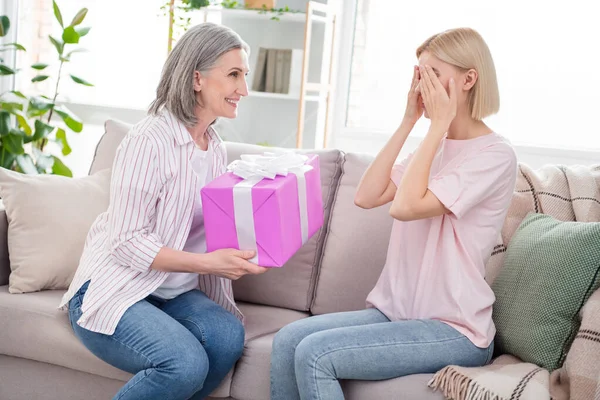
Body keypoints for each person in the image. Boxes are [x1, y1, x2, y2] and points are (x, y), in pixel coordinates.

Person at [270, 27, 517, 400]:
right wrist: (409, 121)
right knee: (288, 339)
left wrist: (436, 128)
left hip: (454, 328)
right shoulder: (431, 147)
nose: (423, 84)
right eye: (419, 73)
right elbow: (367, 196)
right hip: (395, 313)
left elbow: (405, 207)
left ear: (469, 79)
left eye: (433, 73)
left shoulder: (494, 155)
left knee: (315, 354)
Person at [59, 23, 268, 400]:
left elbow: (211, 225)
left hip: (172, 293)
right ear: (197, 79)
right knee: (184, 363)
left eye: (244, 76)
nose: (244, 90)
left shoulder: (215, 146)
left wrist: (259, 244)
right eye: (233, 75)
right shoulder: (148, 140)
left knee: (226, 338)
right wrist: (210, 264)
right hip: (117, 289)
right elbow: (125, 243)